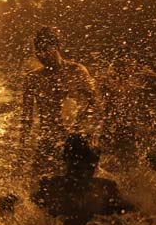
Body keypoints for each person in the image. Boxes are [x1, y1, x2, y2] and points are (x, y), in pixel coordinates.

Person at [21, 27, 100, 167]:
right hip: (46, 141)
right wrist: (22, 148)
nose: (41, 55)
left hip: (76, 142)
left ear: (57, 46)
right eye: (38, 51)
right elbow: (26, 117)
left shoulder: (76, 71)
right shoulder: (32, 78)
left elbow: (95, 103)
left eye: (45, 49)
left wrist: (79, 125)